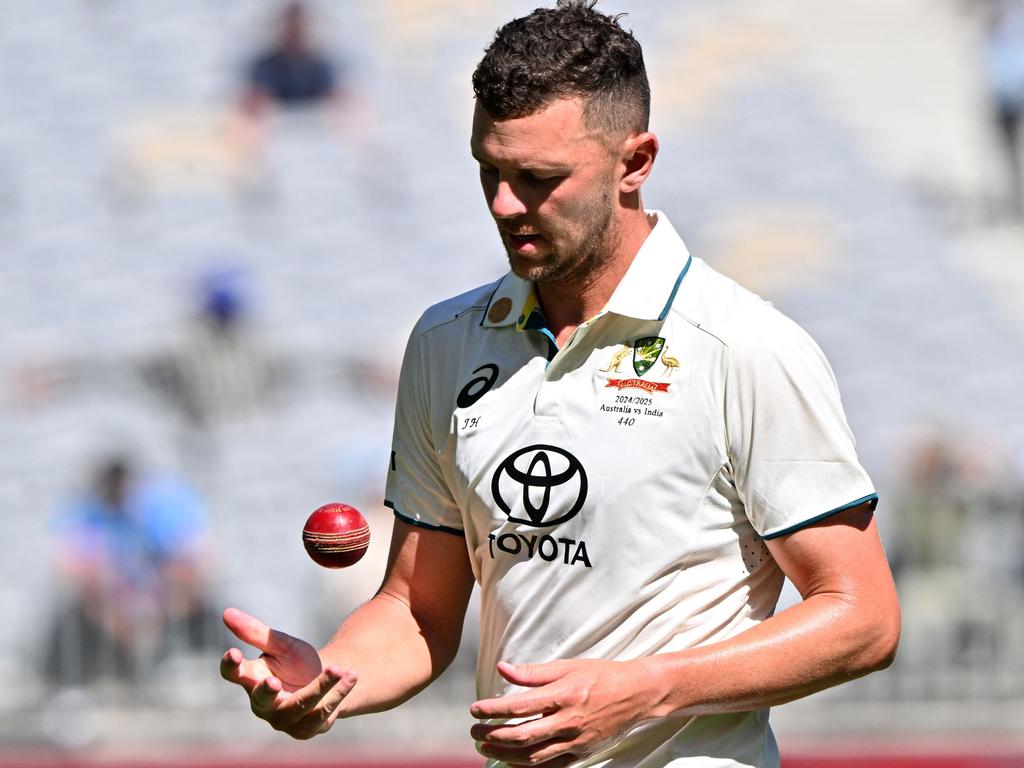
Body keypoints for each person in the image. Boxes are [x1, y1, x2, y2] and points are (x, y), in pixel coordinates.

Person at [220, 3, 900, 766]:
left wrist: (648, 688)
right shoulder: (446, 343)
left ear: (635, 163)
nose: (506, 206)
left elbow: (863, 618)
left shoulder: (745, 346)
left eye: (539, 178)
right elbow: (417, 609)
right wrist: (332, 679)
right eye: (490, 171)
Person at [47, 456, 214, 686]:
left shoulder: (158, 508)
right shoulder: (91, 513)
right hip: (112, 609)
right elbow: (75, 566)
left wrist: (160, 608)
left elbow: (187, 565)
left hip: (161, 603)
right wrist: (113, 614)